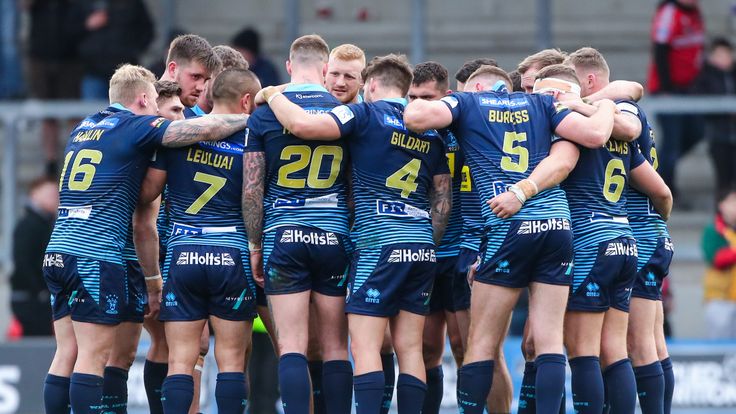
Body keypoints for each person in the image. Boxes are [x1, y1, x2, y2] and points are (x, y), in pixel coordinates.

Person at [404, 60, 618, 414]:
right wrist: (606, 103)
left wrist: (447, 104)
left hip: (506, 224)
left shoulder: (467, 103)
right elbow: (596, 135)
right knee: (549, 340)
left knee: (481, 344)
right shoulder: (544, 104)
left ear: (475, 88)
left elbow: (416, 118)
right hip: (555, 225)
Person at [41, 63, 249, 414]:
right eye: (155, 101)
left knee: (67, 353)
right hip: (96, 253)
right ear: (141, 99)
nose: (157, 108)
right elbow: (203, 127)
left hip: (59, 248)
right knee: (95, 357)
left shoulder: (85, 127)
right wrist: (250, 121)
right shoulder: (136, 125)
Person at [261, 52, 452, 414]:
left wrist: (272, 95)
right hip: (422, 246)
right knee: (410, 349)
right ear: (406, 88)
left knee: (364, 348)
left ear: (372, 84)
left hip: (378, 242)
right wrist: (427, 241)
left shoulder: (365, 114)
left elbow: (305, 126)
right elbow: (443, 195)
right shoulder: (431, 133)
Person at [540, 61, 672, 413]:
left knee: (586, 348)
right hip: (625, 237)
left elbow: (563, 165)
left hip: (593, 242)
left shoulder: (578, 128)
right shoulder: (614, 125)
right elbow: (662, 192)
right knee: (622, 347)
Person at [134, 68, 261, 414]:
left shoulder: (178, 138)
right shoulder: (251, 138)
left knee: (180, 360)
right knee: (233, 360)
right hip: (231, 253)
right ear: (246, 100)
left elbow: (147, 194)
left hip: (184, 254)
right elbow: (253, 198)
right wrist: (255, 248)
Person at [243, 35, 353, 414]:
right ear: (326, 70)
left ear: (289, 67)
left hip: (282, 235)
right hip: (333, 236)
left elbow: (252, 190)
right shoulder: (344, 110)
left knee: (291, 344)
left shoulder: (264, 114)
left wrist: (255, 245)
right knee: (337, 345)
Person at [648, 0, 705, 200]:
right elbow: (660, 49)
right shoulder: (669, 12)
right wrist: (666, 88)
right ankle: (664, 189)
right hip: (669, 91)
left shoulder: (695, 12)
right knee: (672, 142)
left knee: (698, 132)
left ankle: (659, 170)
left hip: (690, 90)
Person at [24, 0, 86, 175]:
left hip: (71, 57)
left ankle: (76, 156)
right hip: (41, 56)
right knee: (47, 115)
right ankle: (50, 161)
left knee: (74, 113)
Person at [10, 177, 58, 336]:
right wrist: (41, 291)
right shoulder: (29, 225)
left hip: (38, 299)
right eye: (49, 193)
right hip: (31, 300)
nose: (55, 198)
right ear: (34, 194)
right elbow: (23, 262)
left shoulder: (47, 224)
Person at [78, 0, 154, 100]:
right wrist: (86, 25)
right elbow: (70, 32)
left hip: (125, 72)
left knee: (126, 112)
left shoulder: (133, 4)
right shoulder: (86, 4)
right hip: (94, 70)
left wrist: (133, 51)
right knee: (93, 112)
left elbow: (147, 31)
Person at [696, 37, 736, 201]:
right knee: (724, 181)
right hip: (719, 137)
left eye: (726, 54)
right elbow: (702, 104)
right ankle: (722, 218)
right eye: (719, 55)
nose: (723, 59)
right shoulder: (705, 77)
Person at [702, 192, 736, 339]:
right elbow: (717, 259)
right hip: (720, 300)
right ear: (721, 205)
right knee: (720, 347)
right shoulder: (714, 230)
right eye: (732, 201)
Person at [159, 34, 222, 115]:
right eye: (195, 76)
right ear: (173, 69)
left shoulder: (195, 118)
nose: (201, 88)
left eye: (206, 80)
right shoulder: (142, 109)